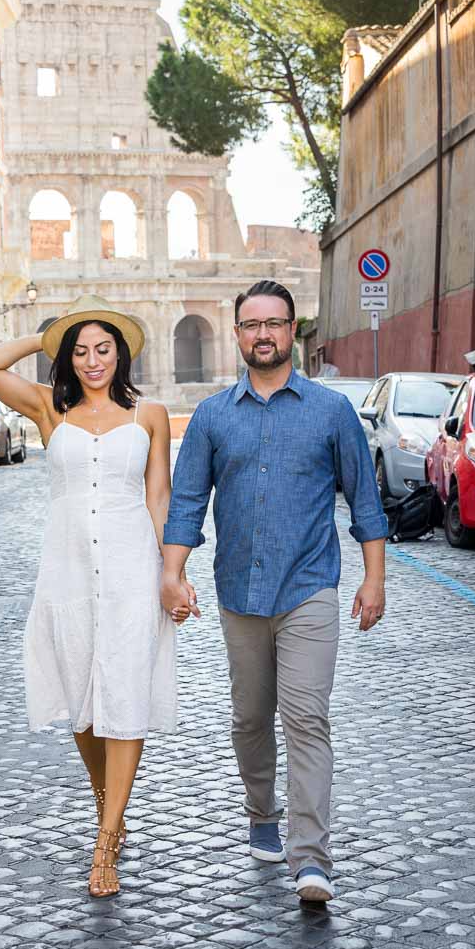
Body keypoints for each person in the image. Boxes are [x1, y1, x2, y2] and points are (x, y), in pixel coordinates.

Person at [161, 279, 388, 903]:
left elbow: (364, 501)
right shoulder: (211, 417)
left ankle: (311, 857)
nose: (263, 334)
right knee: (250, 719)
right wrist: (172, 572)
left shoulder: (331, 412)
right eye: (251, 324)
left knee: (308, 717)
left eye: (275, 323)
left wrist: (374, 578)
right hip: (239, 592)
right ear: (237, 335)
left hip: (310, 587)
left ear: (293, 331)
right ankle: (261, 811)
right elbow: (186, 503)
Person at [0, 294, 192, 898]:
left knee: (124, 694)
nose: (93, 360)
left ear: (122, 355)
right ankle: (106, 802)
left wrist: (173, 573)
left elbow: (160, 499)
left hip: (130, 571)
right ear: (67, 358)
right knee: (82, 703)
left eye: (103, 349)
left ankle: (108, 838)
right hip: (66, 571)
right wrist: (48, 335)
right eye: (81, 351)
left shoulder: (150, 414)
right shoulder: (50, 408)